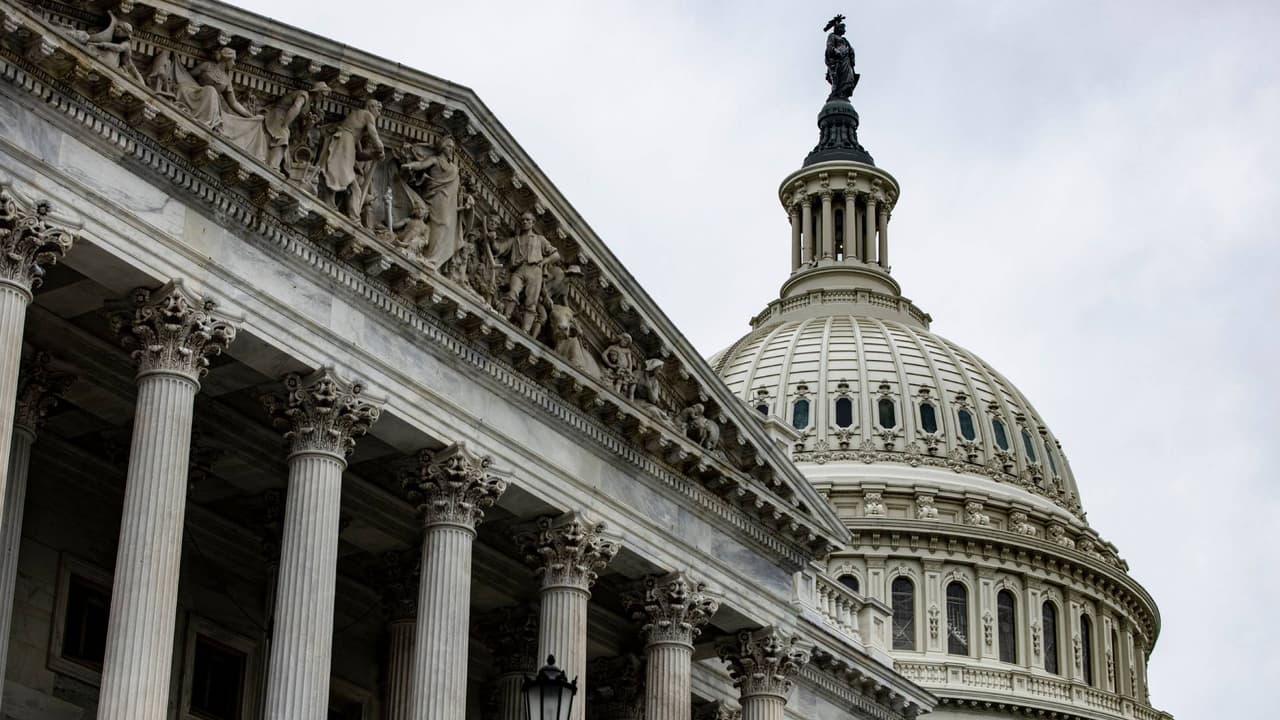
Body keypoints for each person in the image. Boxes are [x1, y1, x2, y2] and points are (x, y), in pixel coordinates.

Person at [491, 212, 559, 333]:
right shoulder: (514, 240)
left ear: (533, 223)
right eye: (522, 220)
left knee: (531, 302)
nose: (524, 222)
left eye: (528, 220)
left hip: (535, 271)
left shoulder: (540, 239)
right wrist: (491, 239)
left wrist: (544, 262)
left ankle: (525, 330)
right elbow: (498, 248)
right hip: (519, 270)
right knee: (513, 292)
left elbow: (556, 255)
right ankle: (505, 317)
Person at [318, 99, 386, 221]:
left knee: (351, 184)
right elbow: (374, 134)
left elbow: (359, 155)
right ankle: (332, 203)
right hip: (344, 143)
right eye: (378, 109)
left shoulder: (353, 126)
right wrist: (380, 148)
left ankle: (354, 217)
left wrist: (373, 155)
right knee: (337, 173)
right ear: (371, 107)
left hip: (346, 143)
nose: (379, 114)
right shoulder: (367, 115)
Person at [400, 137, 461, 268]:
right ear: (443, 147)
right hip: (435, 197)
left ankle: (432, 258)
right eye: (449, 146)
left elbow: (456, 190)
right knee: (439, 222)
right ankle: (429, 256)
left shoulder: (454, 168)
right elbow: (421, 165)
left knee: (444, 224)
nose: (452, 150)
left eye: (453, 148)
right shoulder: (435, 160)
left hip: (448, 201)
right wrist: (410, 165)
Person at [263, 82, 330, 174]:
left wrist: (309, 124)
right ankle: (273, 166)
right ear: (317, 92)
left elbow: (302, 133)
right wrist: (285, 125)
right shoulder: (304, 95)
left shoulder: (308, 106)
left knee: (286, 135)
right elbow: (295, 107)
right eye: (323, 95)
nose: (324, 98)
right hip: (277, 115)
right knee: (283, 136)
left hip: (285, 120)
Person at [823, 15, 858, 101]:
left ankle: (842, 94)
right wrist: (836, 52)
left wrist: (851, 54)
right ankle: (836, 93)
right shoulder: (832, 36)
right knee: (837, 78)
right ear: (838, 28)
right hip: (838, 61)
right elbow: (829, 47)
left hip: (846, 61)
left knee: (848, 78)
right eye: (843, 28)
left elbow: (850, 49)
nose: (845, 30)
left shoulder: (845, 40)